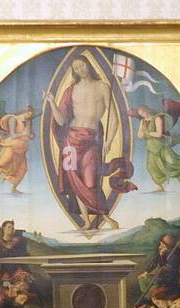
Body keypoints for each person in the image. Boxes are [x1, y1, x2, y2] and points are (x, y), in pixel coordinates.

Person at [43, 54, 136, 230]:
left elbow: (114, 118)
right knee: (75, 180)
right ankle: (87, 221)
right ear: (74, 71)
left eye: (82, 65)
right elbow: (61, 121)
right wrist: (52, 102)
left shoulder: (102, 86)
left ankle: (105, 218)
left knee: (90, 181)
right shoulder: (70, 90)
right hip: (71, 140)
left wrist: (109, 140)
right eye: (76, 68)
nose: (80, 69)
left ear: (88, 65)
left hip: (91, 139)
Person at [134, 106, 180, 191]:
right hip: (151, 147)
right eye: (141, 114)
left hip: (161, 145)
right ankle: (160, 187)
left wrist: (147, 133)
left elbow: (159, 134)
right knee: (151, 167)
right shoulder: (142, 122)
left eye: (143, 111)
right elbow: (139, 135)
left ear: (147, 109)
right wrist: (143, 134)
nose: (143, 114)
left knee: (172, 161)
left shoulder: (157, 118)